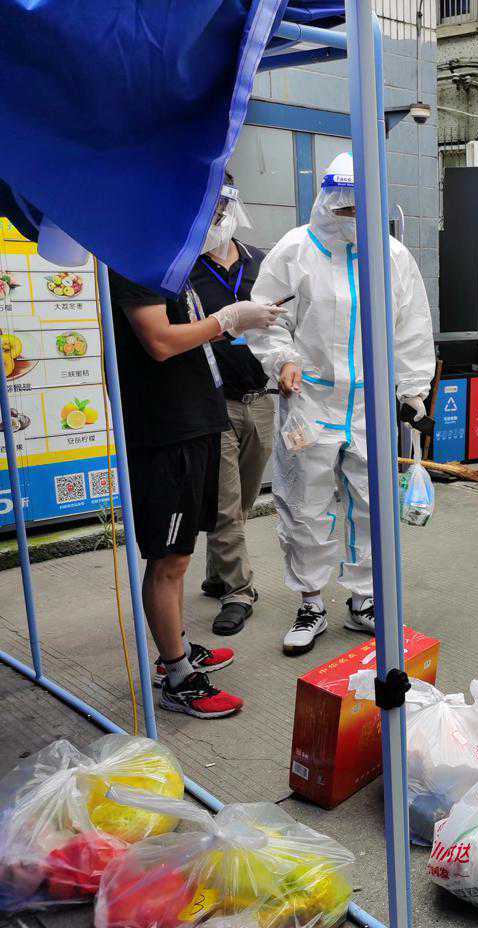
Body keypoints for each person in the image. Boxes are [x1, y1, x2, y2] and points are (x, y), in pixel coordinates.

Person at [248, 153, 436, 656]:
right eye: (344, 209)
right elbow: (265, 317)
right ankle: (310, 602)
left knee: (370, 502)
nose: (352, 218)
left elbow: (411, 326)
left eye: (360, 209)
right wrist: (282, 360)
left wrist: (412, 390)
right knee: (304, 504)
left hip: (368, 403)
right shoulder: (294, 250)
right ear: (326, 202)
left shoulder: (391, 256)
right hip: (308, 399)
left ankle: (364, 599)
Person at [109, 213, 285, 718]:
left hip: (197, 417)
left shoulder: (172, 261)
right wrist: (227, 320)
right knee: (169, 560)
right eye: (211, 208)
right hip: (167, 430)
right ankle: (178, 676)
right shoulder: (137, 258)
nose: (218, 218)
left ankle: (177, 648)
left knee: (181, 553)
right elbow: (161, 341)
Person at [187, 175, 274, 637]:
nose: (217, 216)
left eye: (222, 207)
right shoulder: (184, 268)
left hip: (261, 399)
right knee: (224, 503)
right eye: (209, 207)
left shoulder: (261, 261)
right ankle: (239, 591)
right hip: (212, 401)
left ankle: (217, 572)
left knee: (241, 500)